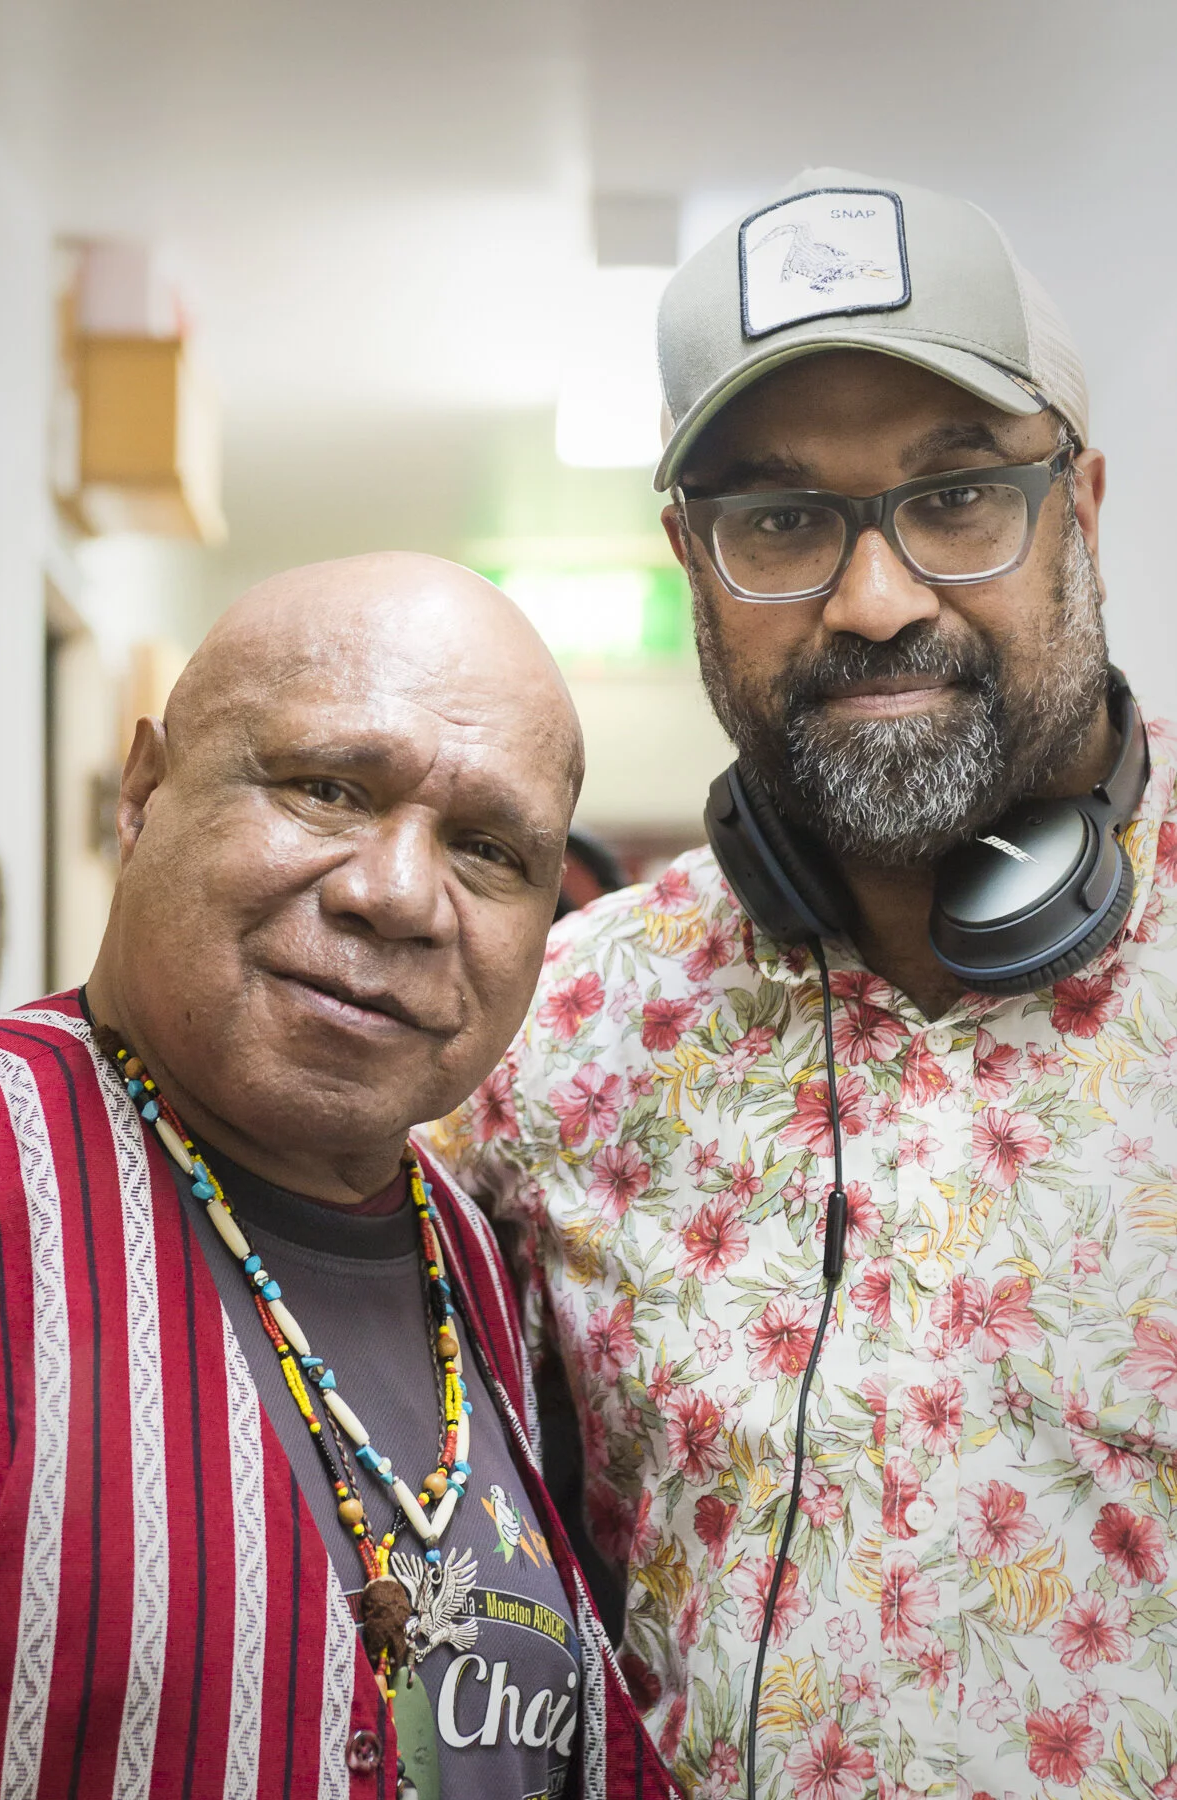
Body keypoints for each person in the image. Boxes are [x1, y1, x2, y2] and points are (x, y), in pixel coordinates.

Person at [426, 170, 1177, 1800]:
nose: (875, 597)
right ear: (690, 564)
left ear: (1083, 507)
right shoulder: (561, 1033)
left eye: (957, 493)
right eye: (779, 521)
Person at [0, 553, 676, 1800]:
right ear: (143, 794)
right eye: (324, 788)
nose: (398, 896)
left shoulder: (467, 1251)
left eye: (485, 849)